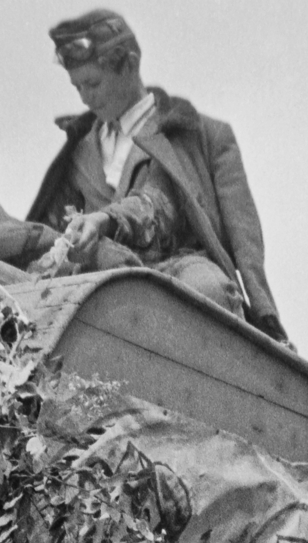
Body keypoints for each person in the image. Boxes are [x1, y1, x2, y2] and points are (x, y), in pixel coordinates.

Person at [28, 9, 287, 341]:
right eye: (77, 86)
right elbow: (49, 231)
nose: (85, 97)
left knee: (208, 293)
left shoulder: (194, 134)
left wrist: (266, 316)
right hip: (100, 278)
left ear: (131, 64)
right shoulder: (79, 152)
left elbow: (233, 232)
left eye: (93, 82)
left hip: (178, 270)